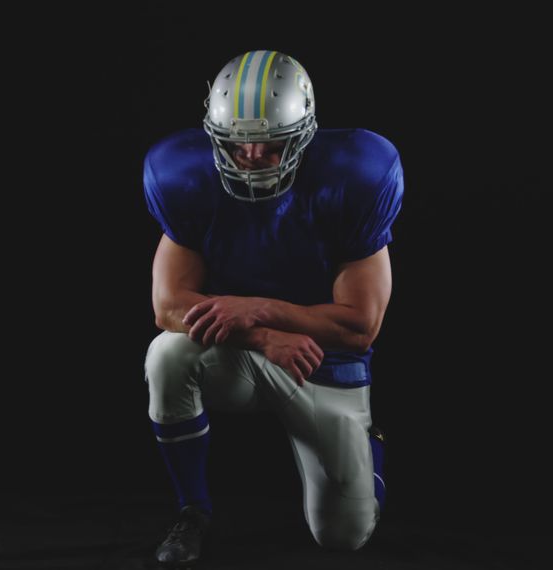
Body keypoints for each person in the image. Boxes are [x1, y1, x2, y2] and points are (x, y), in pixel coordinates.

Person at [142, 50, 404, 566]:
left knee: (345, 535)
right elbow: (169, 306)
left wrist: (260, 308)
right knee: (166, 356)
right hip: (243, 350)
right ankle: (193, 510)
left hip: (321, 363)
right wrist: (262, 336)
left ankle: (366, 443)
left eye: (272, 141)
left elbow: (359, 327)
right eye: (238, 143)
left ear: (304, 133)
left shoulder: (355, 173)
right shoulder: (182, 172)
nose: (255, 155)